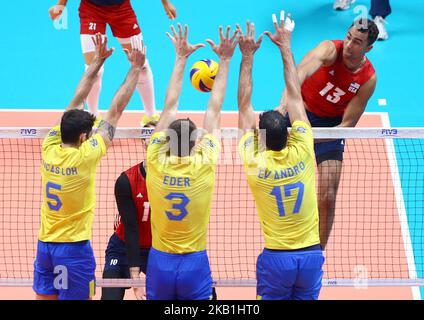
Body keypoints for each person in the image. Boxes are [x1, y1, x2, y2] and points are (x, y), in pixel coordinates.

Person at [33, 33, 146, 300]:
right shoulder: (86, 156)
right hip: (73, 250)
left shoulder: (50, 146)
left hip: (45, 245)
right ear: (84, 138)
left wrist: (96, 62)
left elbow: (76, 99)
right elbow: (116, 110)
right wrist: (134, 68)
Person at [145, 23, 238, 300]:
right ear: (195, 141)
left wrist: (181, 57)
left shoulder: (155, 161)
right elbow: (214, 106)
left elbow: (169, 107)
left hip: (160, 261)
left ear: (166, 143)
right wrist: (225, 60)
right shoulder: (204, 161)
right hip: (194, 262)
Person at [237, 12, 324, 300]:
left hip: (277, 259)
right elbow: (295, 96)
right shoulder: (302, 149)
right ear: (289, 133)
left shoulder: (255, 162)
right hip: (311, 256)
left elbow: (243, 106)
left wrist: (247, 57)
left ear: (260, 139)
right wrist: (285, 46)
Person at [277, 18, 378, 249]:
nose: (350, 45)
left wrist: (310, 137)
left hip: (331, 127)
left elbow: (347, 125)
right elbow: (298, 74)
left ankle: (318, 253)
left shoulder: (368, 80)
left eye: (357, 42)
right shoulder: (330, 49)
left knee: (328, 197)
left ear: (368, 48)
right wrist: (284, 108)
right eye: (349, 37)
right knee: (267, 153)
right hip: (299, 109)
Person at [48, 0, 177, 123]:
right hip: (91, 9)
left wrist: (165, 2)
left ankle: (150, 116)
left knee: (141, 66)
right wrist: (61, 5)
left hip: (122, 9)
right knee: (94, 70)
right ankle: (93, 117)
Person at [100, 121, 157, 300]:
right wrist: (135, 280)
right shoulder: (127, 180)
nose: (153, 141)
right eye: (149, 136)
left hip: (158, 250)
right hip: (123, 247)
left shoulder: (172, 180)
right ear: (143, 141)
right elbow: (131, 230)